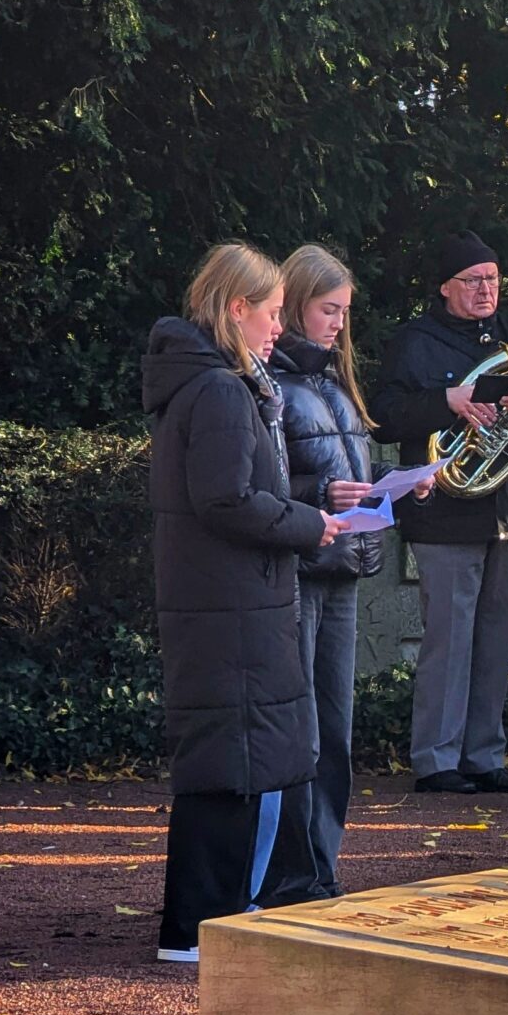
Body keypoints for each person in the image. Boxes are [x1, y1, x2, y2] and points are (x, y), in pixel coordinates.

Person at [144, 242, 342, 965]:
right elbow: (226, 499)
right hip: (228, 600)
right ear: (236, 308)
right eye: (270, 312)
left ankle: (220, 910)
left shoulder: (207, 384)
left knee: (239, 759)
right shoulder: (221, 389)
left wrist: (310, 505)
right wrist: (308, 523)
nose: (277, 328)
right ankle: (198, 923)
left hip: (226, 598)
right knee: (228, 763)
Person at [261, 245, 433, 905]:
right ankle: (291, 873)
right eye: (328, 310)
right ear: (297, 304)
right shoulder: (271, 382)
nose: (338, 323)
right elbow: (265, 482)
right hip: (300, 569)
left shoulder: (336, 381)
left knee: (335, 729)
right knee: (301, 728)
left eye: (344, 312)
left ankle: (319, 866)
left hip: (342, 568)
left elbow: (342, 481)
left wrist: (393, 493)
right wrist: (323, 495)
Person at [370, 232, 508, 796]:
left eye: (492, 279)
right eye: (473, 281)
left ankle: (484, 755)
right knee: (449, 636)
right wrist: (446, 403)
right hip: (446, 510)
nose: (485, 290)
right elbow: (385, 414)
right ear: (445, 287)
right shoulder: (415, 343)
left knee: (499, 636)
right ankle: (436, 759)